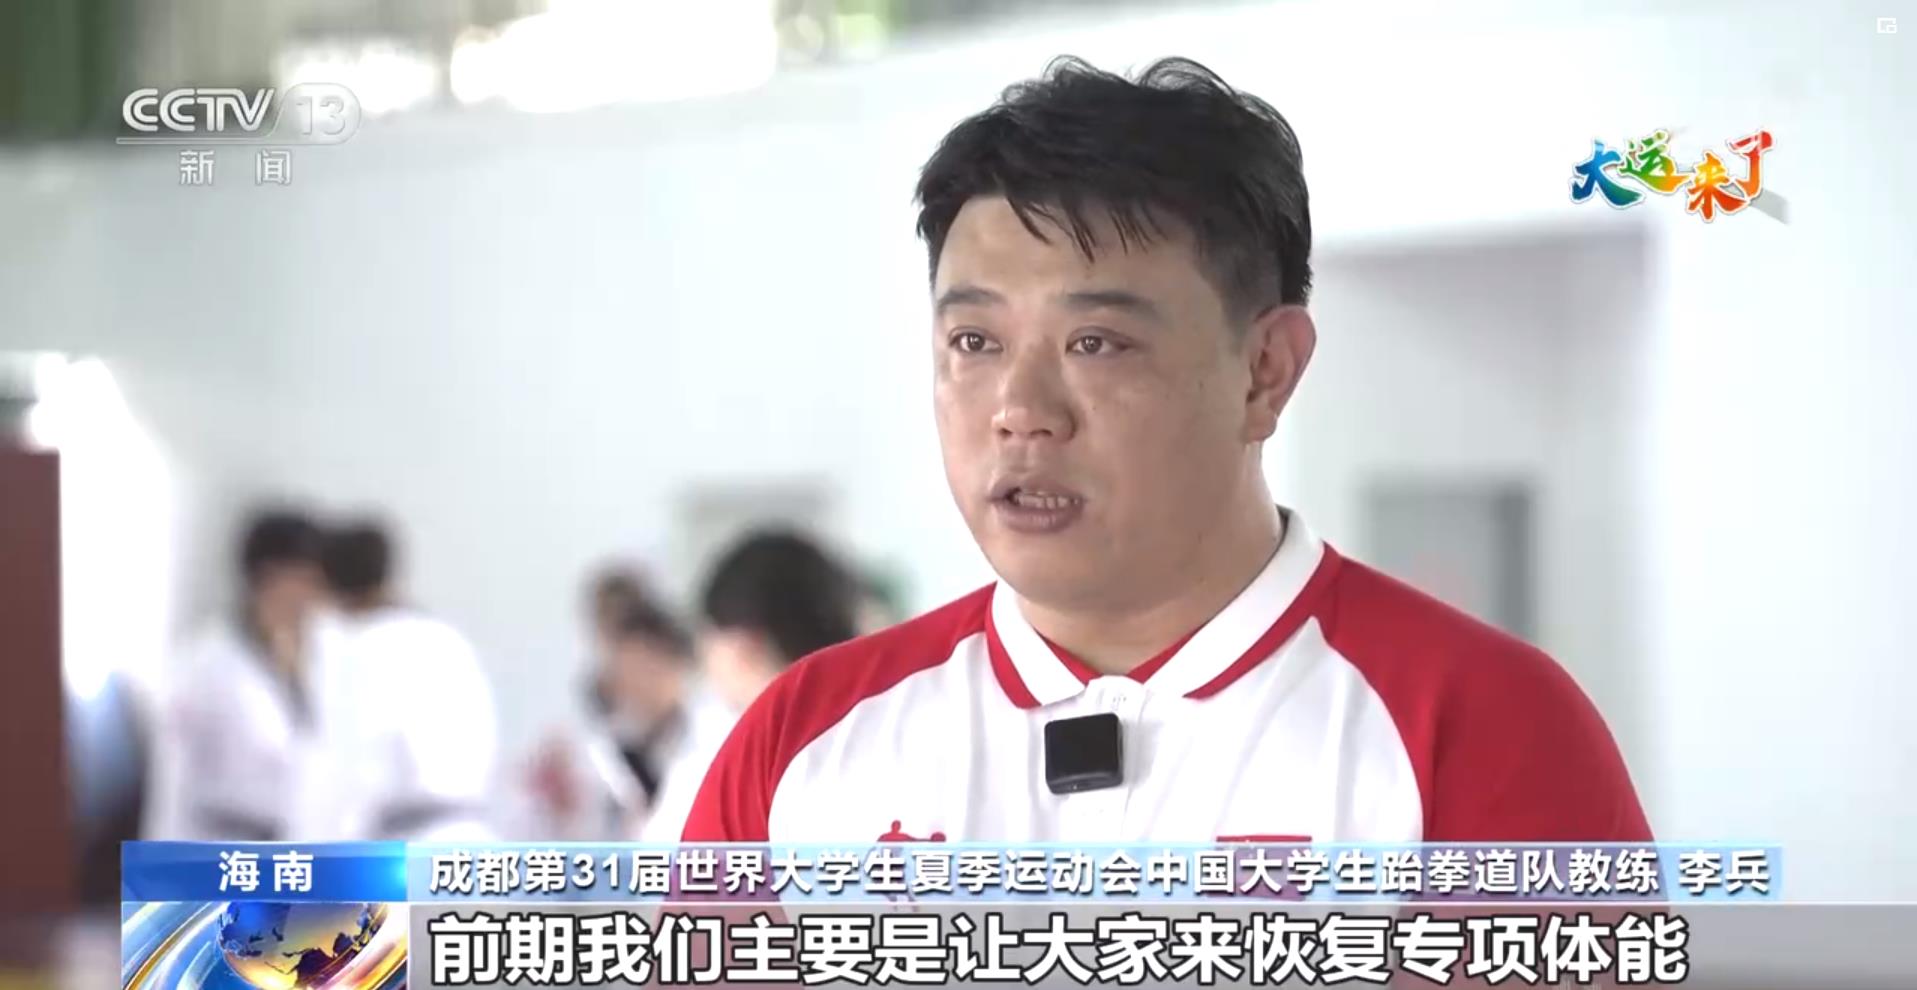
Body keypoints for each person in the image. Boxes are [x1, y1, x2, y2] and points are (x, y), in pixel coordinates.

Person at [683, 57, 1651, 844]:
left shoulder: (1480, 728)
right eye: (974, 342)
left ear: (1265, 372)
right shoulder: (802, 747)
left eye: (1095, 343)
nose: (1020, 412)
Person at [143, 508, 347, 841]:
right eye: (313, 581)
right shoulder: (209, 670)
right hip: (212, 854)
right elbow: (252, 789)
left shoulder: (305, 651)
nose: (322, 597)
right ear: (271, 578)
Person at [320, 518, 499, 840]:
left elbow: (349, 774)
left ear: (331, 588)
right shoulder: (449, 641)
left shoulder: (357, 650)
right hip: (472, 833)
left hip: (406, 838)